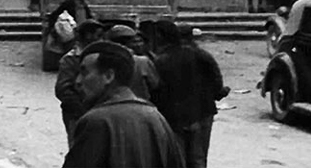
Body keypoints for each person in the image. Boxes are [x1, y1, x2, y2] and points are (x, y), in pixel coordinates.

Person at [62, 40, 185, 168]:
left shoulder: (95, 121)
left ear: (109, 76)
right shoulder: (156, 117)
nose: (78, 81)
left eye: (84, 72)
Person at [154, 19, 229, 168]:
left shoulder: (161, 59)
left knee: (178, 158)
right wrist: (218, 93)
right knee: (198, 158)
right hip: (202, 112)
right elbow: (216, 78)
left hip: (175, 116)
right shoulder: (200, 54)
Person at [55, 19, 104, 147]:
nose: (101, 40)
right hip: (76, 115)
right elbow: (63, 90)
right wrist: (83, 111)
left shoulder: (100, 56)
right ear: (88, 36)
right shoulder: (70, 59)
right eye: (98, 36)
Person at [105, 24, 160, 102]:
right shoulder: (142, 62)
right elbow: (155, 84)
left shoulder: (104, 61)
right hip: (141, 106)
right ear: (129, 42)